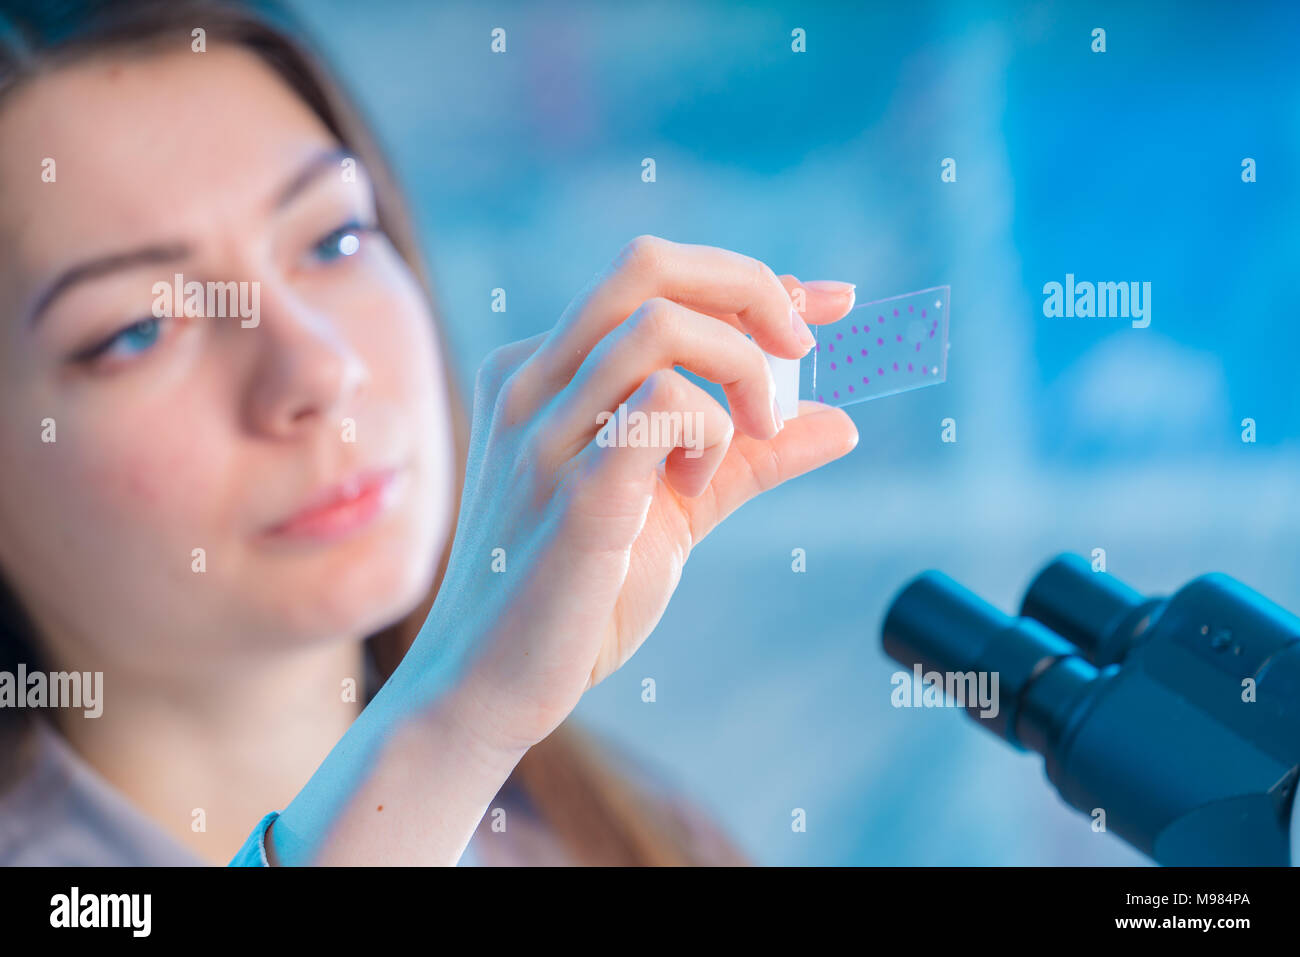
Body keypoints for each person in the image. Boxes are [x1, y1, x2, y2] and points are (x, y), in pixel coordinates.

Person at [0, 0, 859, 866]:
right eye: (138, 330)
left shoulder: (623, 834)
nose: (316, 368)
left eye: (334, 240)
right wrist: (450, 727)